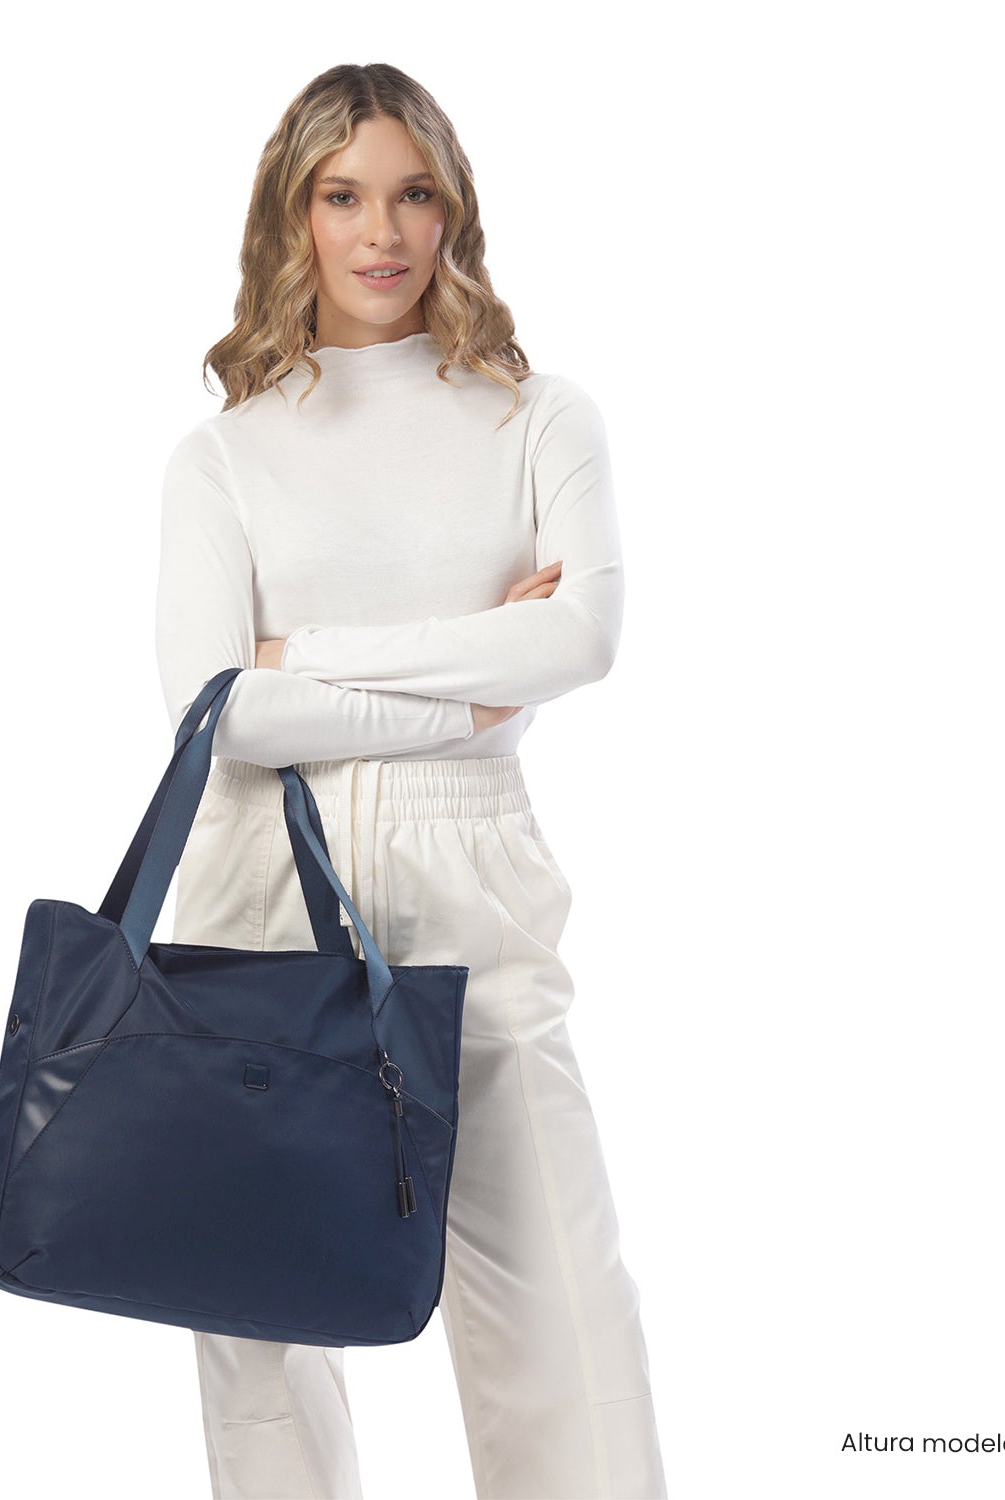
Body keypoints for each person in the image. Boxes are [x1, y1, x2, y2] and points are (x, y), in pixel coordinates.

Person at [156, 61, 668, 1500]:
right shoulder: (223, 458)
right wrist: (475, 685)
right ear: (294, 214)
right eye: (343, 196)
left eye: (412, 193)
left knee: (562, 1307)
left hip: (472, 877)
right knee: (255, 1329)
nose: (381, 233)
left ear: (454, 211)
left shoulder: (538, 417)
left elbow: (580, 638)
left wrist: (302, 657)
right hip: (263, 875)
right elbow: (219, 717)